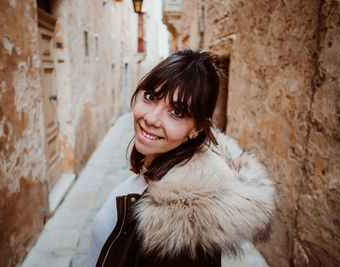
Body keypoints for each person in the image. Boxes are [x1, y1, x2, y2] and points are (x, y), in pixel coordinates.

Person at [86, 50, 277, 267]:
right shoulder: (153, 173)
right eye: (151, 97)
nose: (151, 118)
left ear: (197, 128)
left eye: (176, 112)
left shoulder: (181, 225)